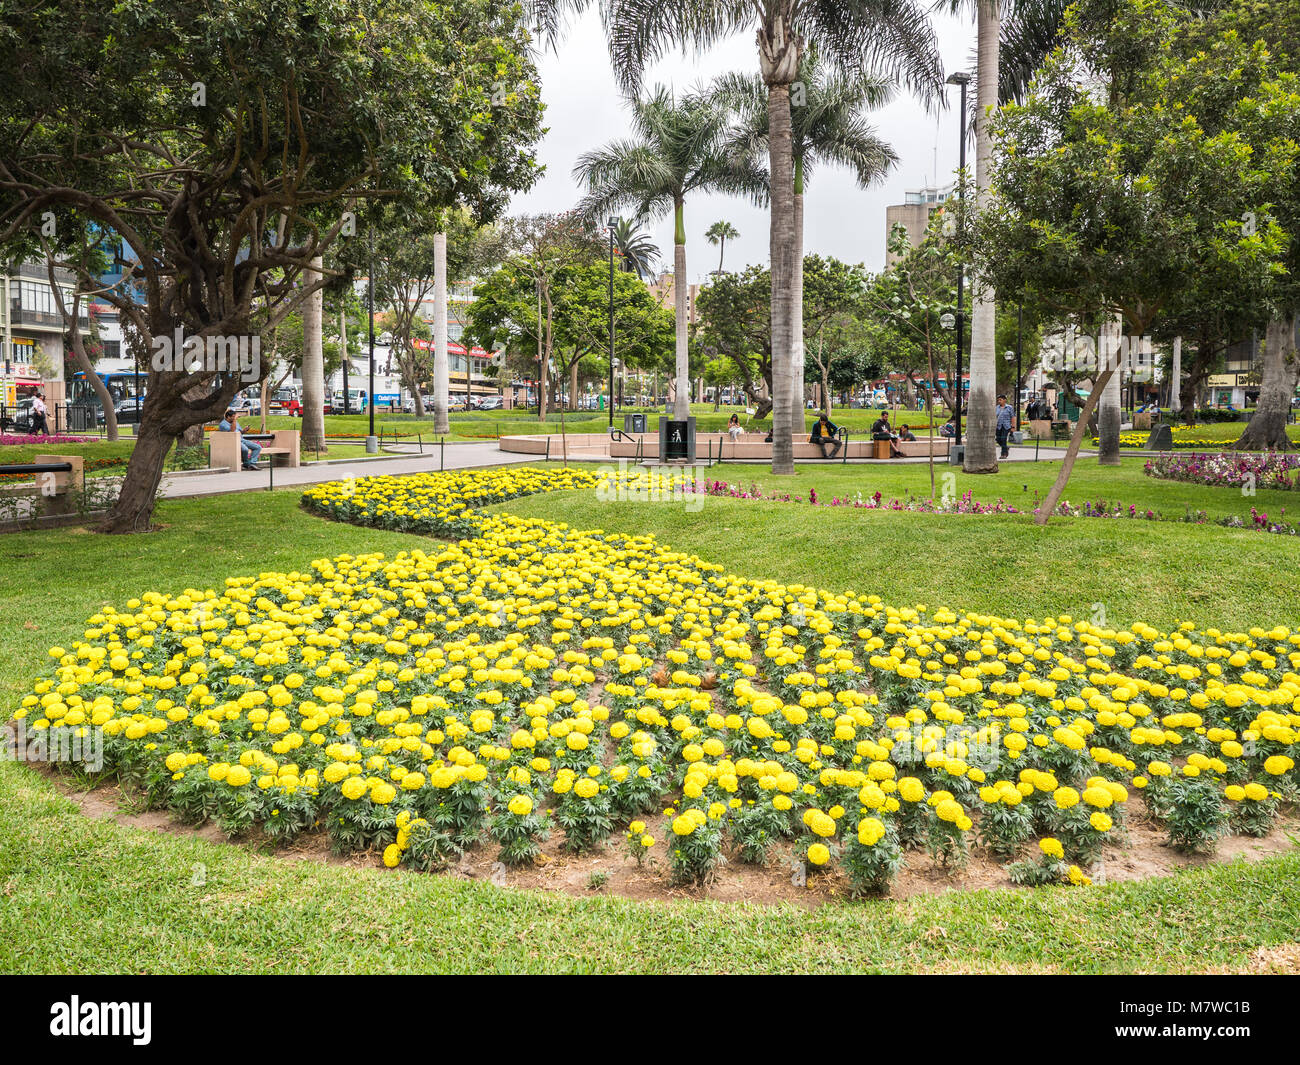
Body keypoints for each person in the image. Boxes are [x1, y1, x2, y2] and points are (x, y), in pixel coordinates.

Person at [996, 394, 1013, 459]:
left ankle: (1004, 454)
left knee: (1003, 439)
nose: (999, 401)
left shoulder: (1009, 407)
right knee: (998, 439)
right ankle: (1006, 448)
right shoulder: (997, 408)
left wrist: (1013, 427)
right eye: (998, 400)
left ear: (1004, 400)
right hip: (998, 426)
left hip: (1006, 426)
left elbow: (1013, 417)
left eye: (1000, 400)